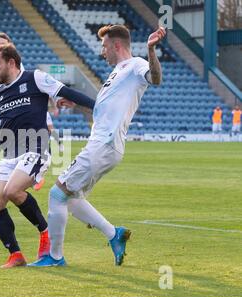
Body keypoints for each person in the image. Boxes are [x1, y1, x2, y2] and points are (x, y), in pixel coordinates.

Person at [28, 25, 166, 267]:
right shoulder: (116, 74)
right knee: (70, 199)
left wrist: (151, 49)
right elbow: (103, 111)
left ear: (116, 45)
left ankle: (55, 257)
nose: (102, 53)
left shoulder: (135, 65)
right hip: (103, 144)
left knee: (57, 193)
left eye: (104, 47)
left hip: (105, 144)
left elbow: (156, 79)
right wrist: (76, 104)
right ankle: (115, 234)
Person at [0, 44, 95, 268]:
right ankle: (15, 255)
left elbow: (65, 92)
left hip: (35, 150)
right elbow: (0, 132)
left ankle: (45, 232)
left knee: (12, 190)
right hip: (10, 155)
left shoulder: (34, 78)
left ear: (11, 62)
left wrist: (97, 107)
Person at [0, 32, 54, 193]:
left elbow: (31, 94)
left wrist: (47, 113)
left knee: (21, 139)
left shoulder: (15, 66)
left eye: (1, 42)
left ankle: (37, 170)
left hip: (16, 108)